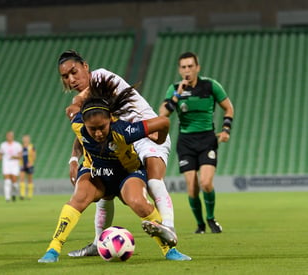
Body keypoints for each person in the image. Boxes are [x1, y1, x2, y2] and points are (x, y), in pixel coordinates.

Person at [38, 75, 191, 263]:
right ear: (84, 123)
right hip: (98, 173)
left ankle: (169, 250)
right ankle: (53, 249)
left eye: (102, 127)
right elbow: (77, 127)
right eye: (92, 129)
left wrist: (157, 140)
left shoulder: (123, 129)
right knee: (79, 197)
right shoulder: (78, 123)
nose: (98, 133)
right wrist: (73, 160)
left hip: (127, 174)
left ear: (110, 119)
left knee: (137, 201)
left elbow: (164, 123)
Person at [59, 50, 178, 257]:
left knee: (153, 181)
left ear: (85, 66)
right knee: (106, 187)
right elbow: (84, 130)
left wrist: (74, 105)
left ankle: (169, 227)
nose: (71, 79)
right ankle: (98, 243)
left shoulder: (102, 77)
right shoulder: (94, 104)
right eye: (65, 77)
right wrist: (73, 158)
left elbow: (78, 101)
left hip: (147, 133)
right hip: (123, 140)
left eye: (74, 72)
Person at [159, 52, 234, 234]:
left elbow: (228, 107)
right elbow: (163, 113)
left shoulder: (210, 85)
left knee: (206, 183)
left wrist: (225, 130)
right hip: (186, 141)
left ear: (197, 68)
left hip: (207, 139)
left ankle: (210, 218)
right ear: (179, 70)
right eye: (183, 67)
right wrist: (177, 95)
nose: (187, 70)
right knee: (192, 188)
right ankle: (200, 225)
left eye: (190, 66)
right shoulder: (175, 88)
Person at [0, 131, 22, 202]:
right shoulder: (3, 145)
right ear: (6, 136)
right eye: (8, 135)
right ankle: (7, 198)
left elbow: (21, 156)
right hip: (6, 163)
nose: (9, 137)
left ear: (13, 136)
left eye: (10, 135)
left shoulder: (17, 145)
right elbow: (0, 154)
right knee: (7, 181)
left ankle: (15, 192)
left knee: (14, 181)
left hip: (14, 163)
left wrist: (14, 157)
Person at [19, 135, 36, 200]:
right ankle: (22, 195)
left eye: (27, 139)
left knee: (30, 179)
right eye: (25, 139)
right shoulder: (21, 147)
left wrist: (31, 163)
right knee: (22, 178)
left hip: (29, 164)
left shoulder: (31, 147)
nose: (26, 140)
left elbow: (34, 155)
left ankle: (30, 195)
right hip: (22, 164)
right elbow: (19, 155)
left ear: (29, 140)